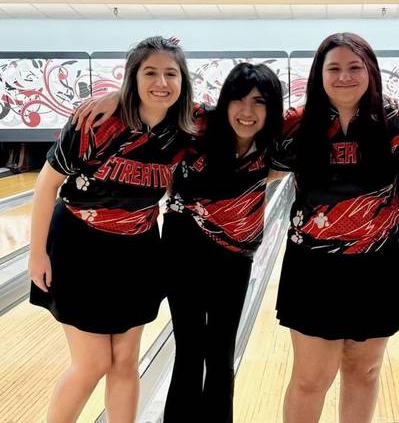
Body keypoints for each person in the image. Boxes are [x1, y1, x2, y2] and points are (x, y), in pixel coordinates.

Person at [72, 62, 285, 422]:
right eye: (238, 100)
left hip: (235, 257)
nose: (247, 112)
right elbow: (154, 102)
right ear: (225, 101)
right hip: (183, 249)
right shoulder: (198, 123)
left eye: (259, 102)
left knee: (220, 355)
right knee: (190, 351)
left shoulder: (276, 142)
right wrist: (115, 95)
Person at [28, 36, 193, 423]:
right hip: (79, 246)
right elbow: (46, 184)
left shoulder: (183, 130)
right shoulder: (95, 122)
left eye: (171, 73)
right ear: (132, 77)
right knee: (93, 362)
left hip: (138, 251)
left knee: (125, 361)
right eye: (150, 72)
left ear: (183, 80)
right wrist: (37, 253)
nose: (161, 82)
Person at [269, 32, 399, 423]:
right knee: (310, 378)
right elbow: (232, 143)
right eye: (333, 68)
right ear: (318, 74)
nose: (344, 76)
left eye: (355, 67)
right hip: (314, 267)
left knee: (365, 370)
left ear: (370, 70)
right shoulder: (296, 128)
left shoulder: (397, 122)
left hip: (381, 262)